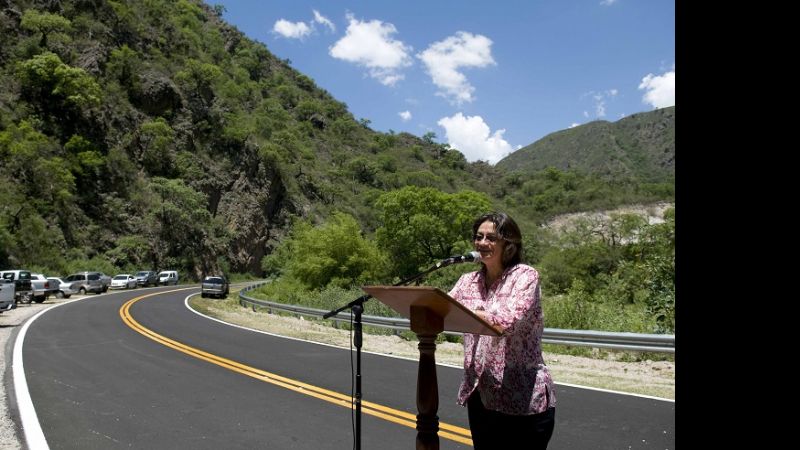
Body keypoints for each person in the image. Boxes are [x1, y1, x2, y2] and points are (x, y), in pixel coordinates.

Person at [448, 212, 556, 449]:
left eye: (491, 238)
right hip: (482, 397)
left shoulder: (525, 277)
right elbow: (441, 310)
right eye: (478, 237)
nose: (482, 243)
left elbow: (505, 323)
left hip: (523, 400)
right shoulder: (467, 281)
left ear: (509, 244)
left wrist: (466, 313)